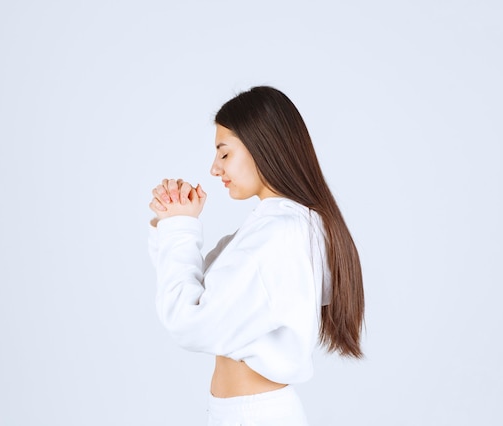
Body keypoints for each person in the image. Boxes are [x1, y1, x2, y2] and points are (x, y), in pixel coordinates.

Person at [148, 86, 364, 425]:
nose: (214, 169)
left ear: (261, 146)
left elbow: (189, 321)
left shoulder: (279, 234)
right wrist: (173, 222)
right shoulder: (281, 227)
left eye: (224, 153)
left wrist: (179, 228)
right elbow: (202, 290)